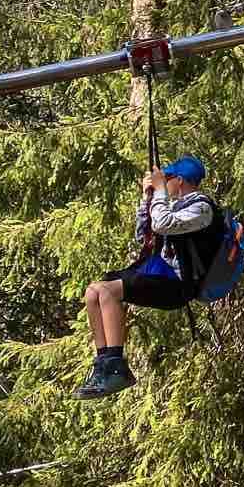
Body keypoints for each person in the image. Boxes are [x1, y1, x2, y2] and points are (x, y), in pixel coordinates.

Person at [76, 155, 220, 399]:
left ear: (180, 180)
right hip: (159, 274)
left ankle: (116, 367)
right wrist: (148, 197)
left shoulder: (202, 208)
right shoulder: (172, 204)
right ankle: (103, 364)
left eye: (167, 178)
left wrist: (161, 192)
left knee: (109, 292)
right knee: (93, 292)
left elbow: (163, 224)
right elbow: (144, 234)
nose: (162, 182)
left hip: (178, 286)